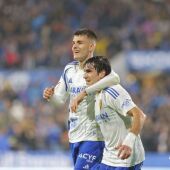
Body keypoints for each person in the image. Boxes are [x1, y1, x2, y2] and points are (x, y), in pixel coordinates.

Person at [43, 28, 120, 169]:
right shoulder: (69, 69)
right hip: (75, 135)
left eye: (80, 42)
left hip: (95, 136)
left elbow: (115, 78)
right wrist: (51, 96)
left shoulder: (99, 68)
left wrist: (85, 92)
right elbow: (59, 100)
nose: (74, 46)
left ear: (91, 46)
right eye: (73, 42)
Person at [71, 56, 146, 170]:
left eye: (89, 71)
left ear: (101, 73)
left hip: (125, 160)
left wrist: (128, 142)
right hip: (108, 159)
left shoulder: (113, 91)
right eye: (84, 72)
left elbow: (140, 115)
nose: (85, 75)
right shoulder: (96, 94)